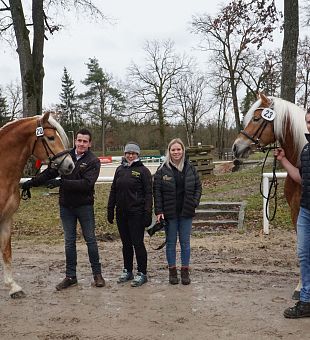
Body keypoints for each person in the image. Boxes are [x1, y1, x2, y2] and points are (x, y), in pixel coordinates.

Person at [22, 128, 105, 290]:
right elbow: (50, 173)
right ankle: (70, 276)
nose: (81, 144)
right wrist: (32, 182)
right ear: (75, 141)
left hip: (84, 206)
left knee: (90, 241)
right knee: (69, 242)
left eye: (85, 141)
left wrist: (62, 183)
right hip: (66, 206)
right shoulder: (65, 156)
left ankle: (97, 274)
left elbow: (87, 185)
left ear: (90, 144)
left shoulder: (93, 161)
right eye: (79, 140)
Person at [274, 108, 310, 318]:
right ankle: (306, 301)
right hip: (306, 211)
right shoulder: (306, 150)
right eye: (307, 122)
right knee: (304, 256)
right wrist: (284, 161)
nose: (309, 125)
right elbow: (301, 178)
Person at [153, 138, 202, 285]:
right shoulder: (162, 170)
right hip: (170, 214)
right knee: (171, 243)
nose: (176, 152)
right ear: (169, 151)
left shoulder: (190, 168)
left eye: (178, 149)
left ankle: (185, 271)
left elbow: (198, 187)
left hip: (186, 212)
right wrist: (159, 210)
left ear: (183, 150)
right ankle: (172, 272)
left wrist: (194, 202)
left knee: (185, 243)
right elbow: (157, 191)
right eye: (173, 149)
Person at [107, 142, 152, 287]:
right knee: (126, 244)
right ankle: (128, 270)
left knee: (137, 243)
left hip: (137, 214)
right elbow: (114, 189)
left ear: (138, 154)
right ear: (124, 154)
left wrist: (147, 212)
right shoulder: (119, 170)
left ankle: (142, 273)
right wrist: (110, 208)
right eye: (128, 153)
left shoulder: (143, 171)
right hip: (121, 213)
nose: (130, 155)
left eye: (133, 153)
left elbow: (148, 194)